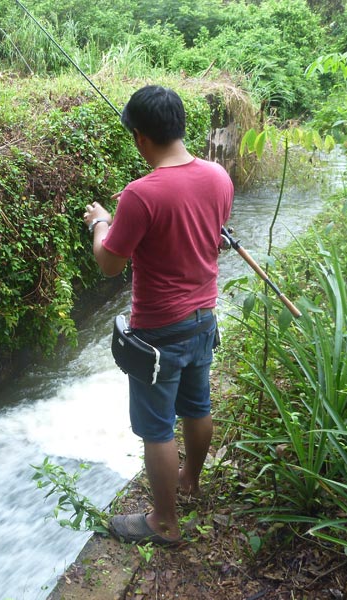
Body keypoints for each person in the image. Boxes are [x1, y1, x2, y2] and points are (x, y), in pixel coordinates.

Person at [82, 85, 233, 545]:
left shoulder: (140, 195)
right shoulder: (218, 176)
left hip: (158, 333)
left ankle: (163, 523)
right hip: (204, 316)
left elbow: (109, 263)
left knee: (156, 430)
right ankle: (190, 480)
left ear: (141, 138)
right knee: (198, 407)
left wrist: (100, 223)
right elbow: (211, 236)